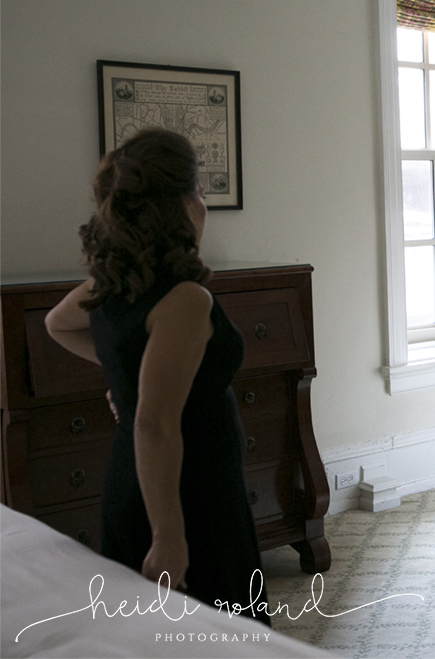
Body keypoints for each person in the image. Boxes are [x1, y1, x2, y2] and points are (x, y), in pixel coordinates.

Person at [45, 129, 270, 622]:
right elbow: (155, 424)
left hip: (137, 477)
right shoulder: (184, 298)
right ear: (182, 205)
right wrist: (169, 536)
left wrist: (126, 378)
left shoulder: (113, 277)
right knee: (208, 636)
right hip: (188, 489)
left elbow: (57, 323)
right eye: (201, 193)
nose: (205, 205)